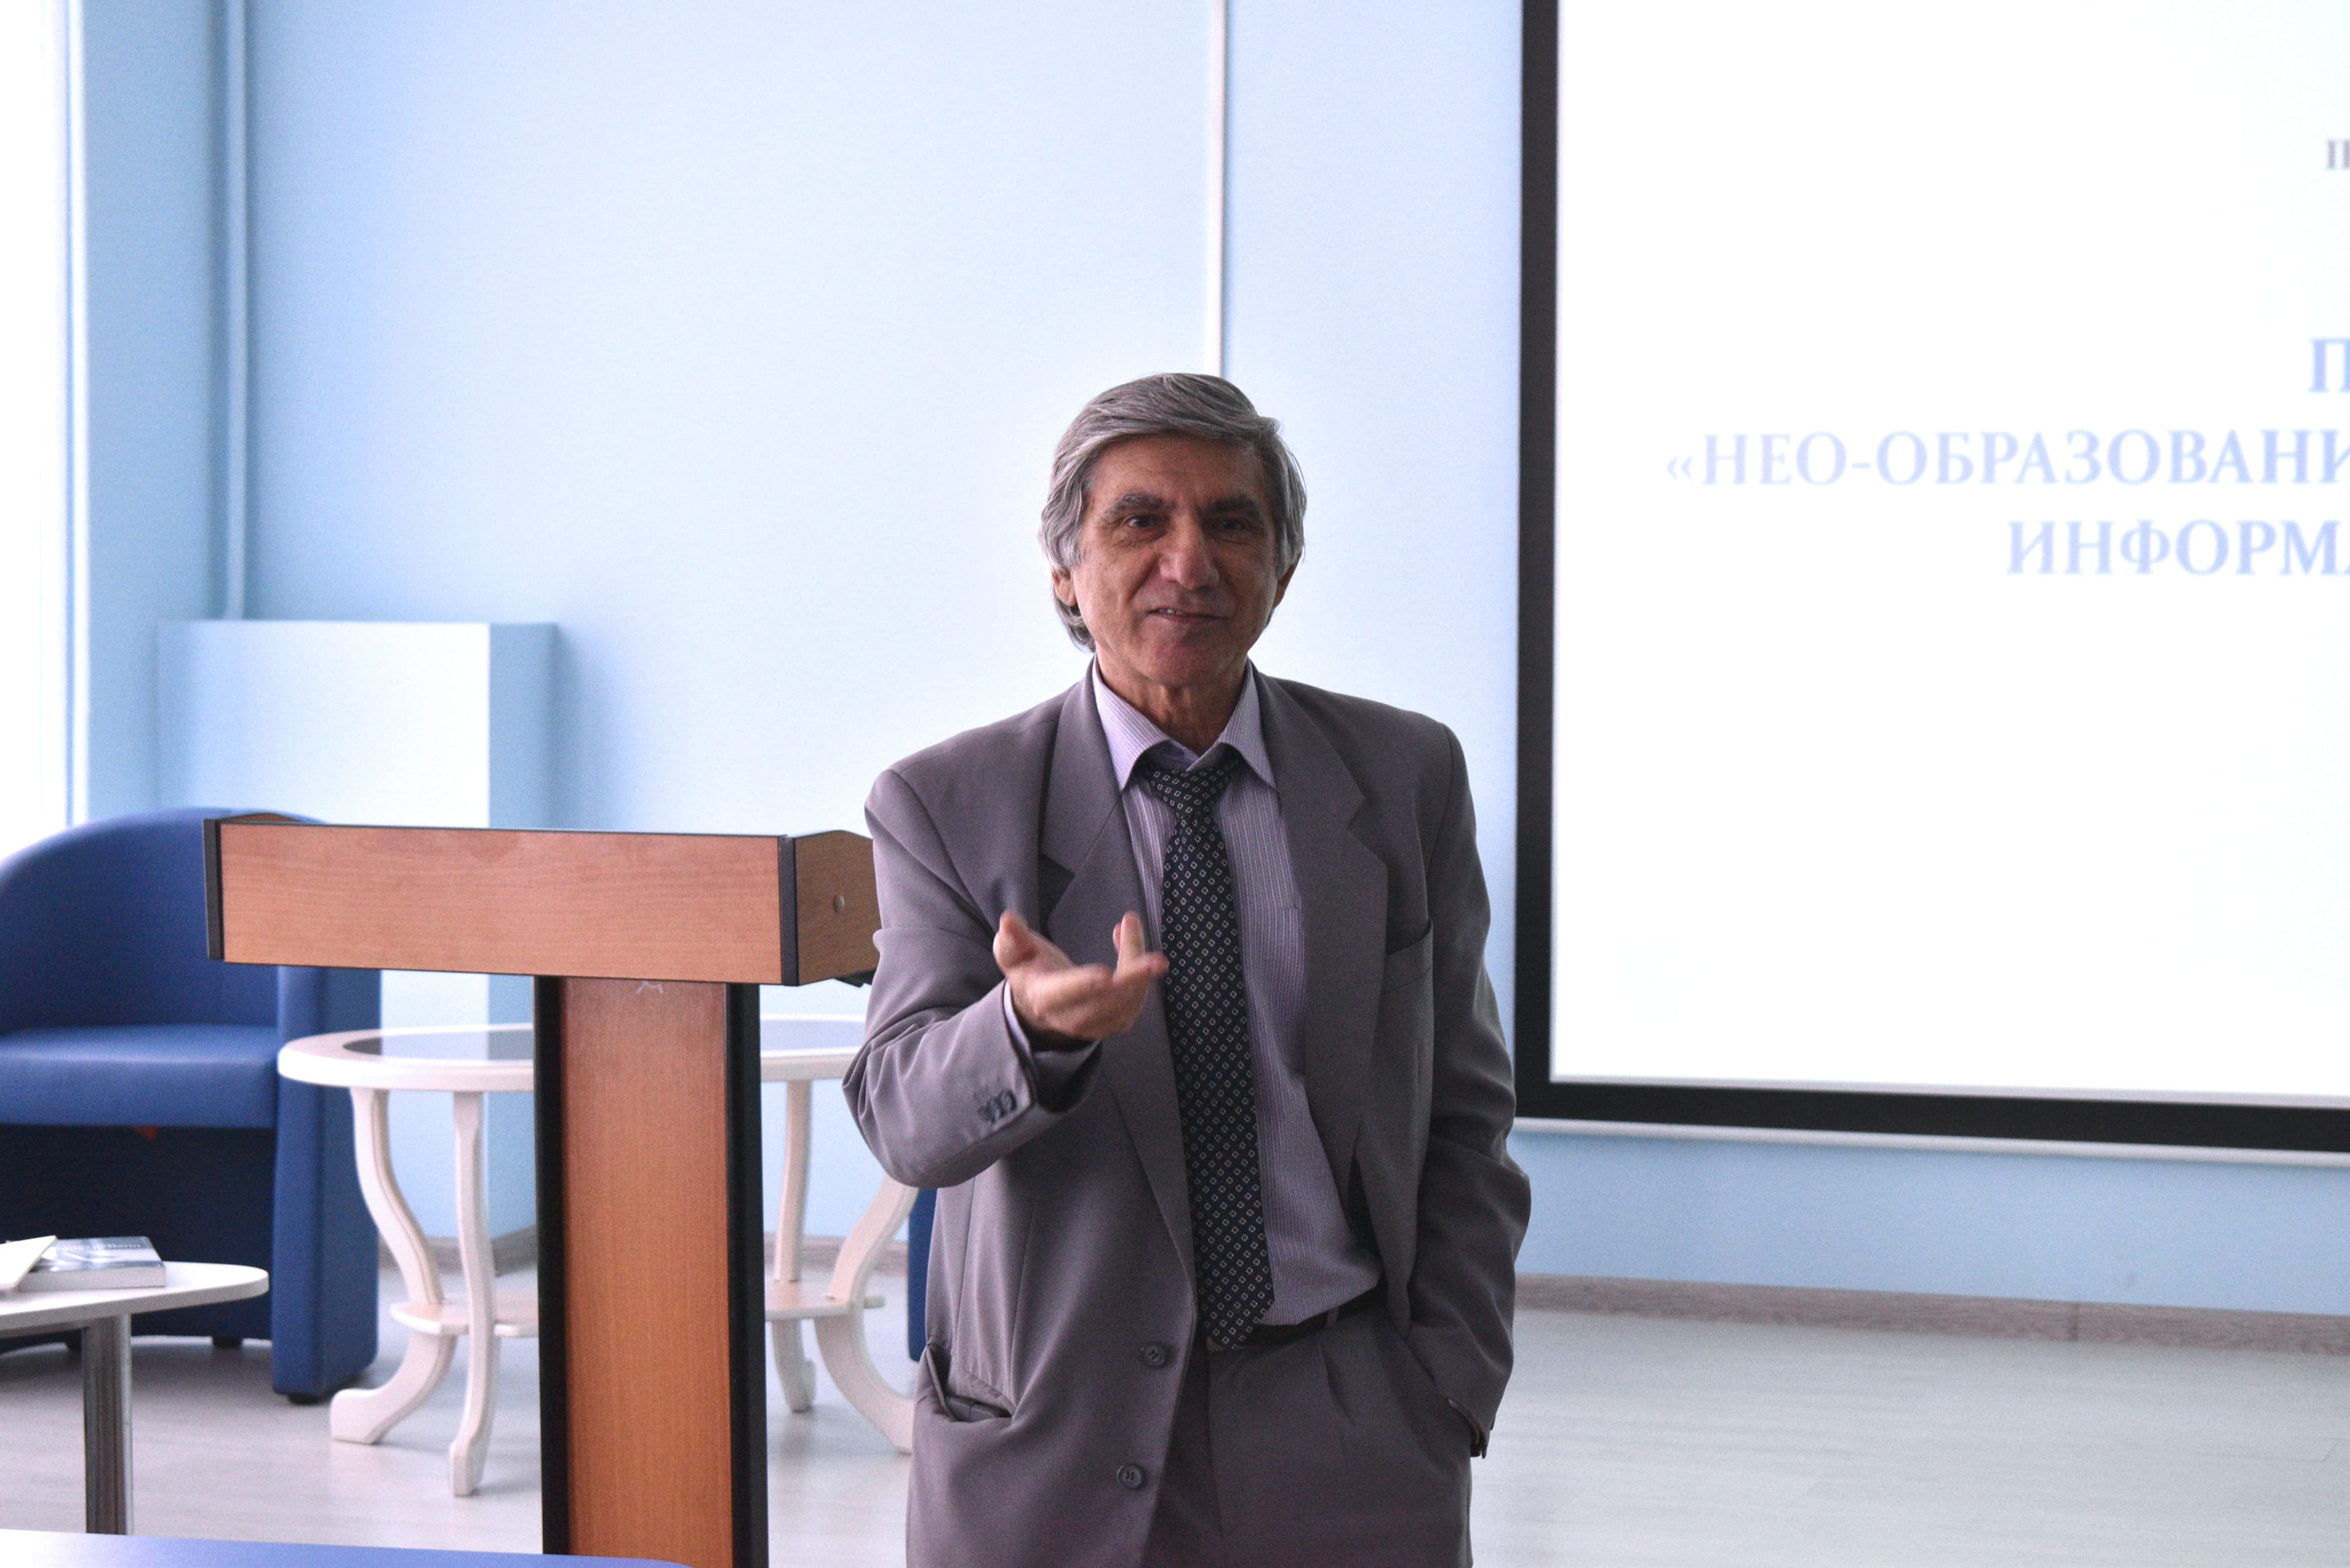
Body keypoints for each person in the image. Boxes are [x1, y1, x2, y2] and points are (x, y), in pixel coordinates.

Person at [844, 373, 1529, 1567]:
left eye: (1231, 522)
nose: (1189, 561)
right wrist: (1029, 1033)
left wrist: (1447, 1380)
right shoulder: (946, 802)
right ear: (1065, 572)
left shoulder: (1403, 773)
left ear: (1282, 565)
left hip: (1354, 1426)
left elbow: (1463, 1112)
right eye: (1139, 521)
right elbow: (904, 1121)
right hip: (1051, 1440)